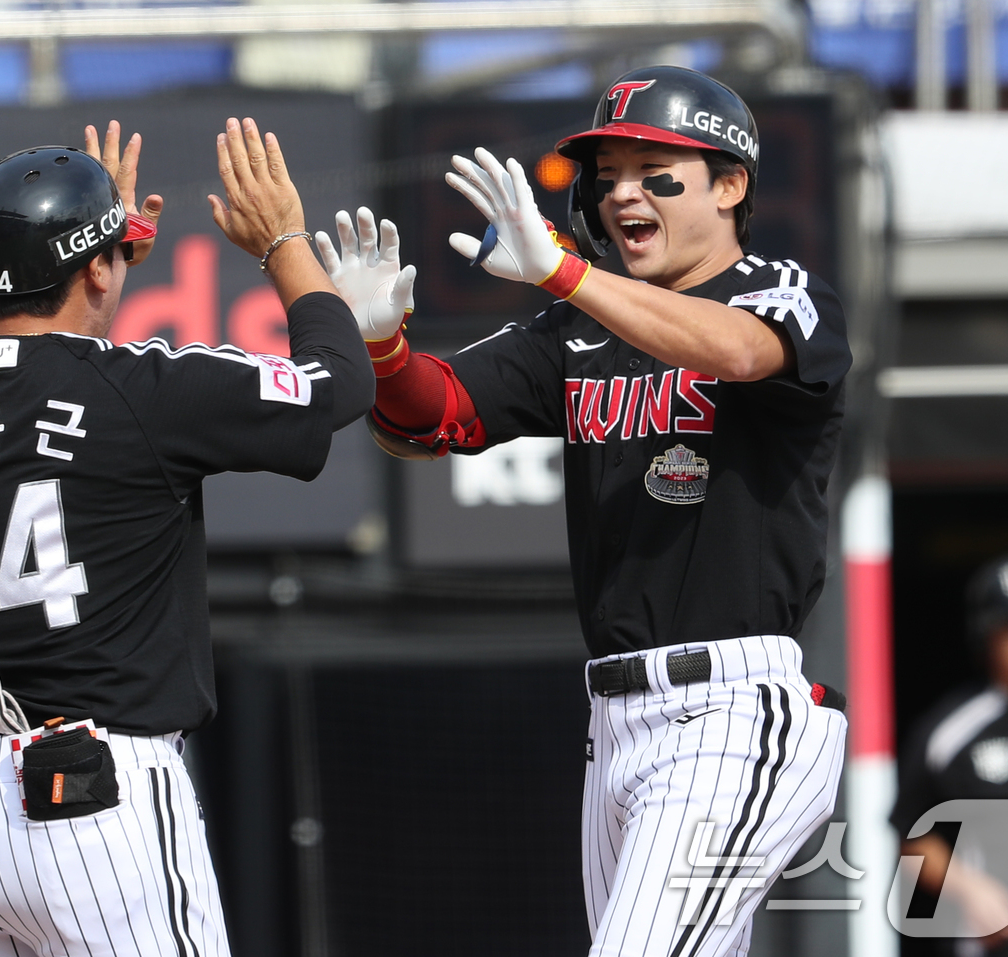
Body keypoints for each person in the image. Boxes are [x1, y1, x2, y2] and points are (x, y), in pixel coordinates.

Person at [316, 65, 851, 956]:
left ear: (731, 185)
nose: (621, 193)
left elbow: (740, 350)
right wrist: (382, 346)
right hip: (615, 725)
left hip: (734, 708)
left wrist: (565, 273)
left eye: (656, 173)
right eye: (608, 177)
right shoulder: (574, 331)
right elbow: (432, 418)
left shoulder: (778, 289)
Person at [0, 117, 371, 957]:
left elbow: (44, 378)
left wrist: (94, 252)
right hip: (91, 806)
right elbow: (339, 382)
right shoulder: (144, 390)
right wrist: (285, 241)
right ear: (99, 269)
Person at [893, 552, 1008, 956]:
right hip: (990, 944)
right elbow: (911, 838)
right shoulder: (949, 733)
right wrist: (969, 888)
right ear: (987, 636)